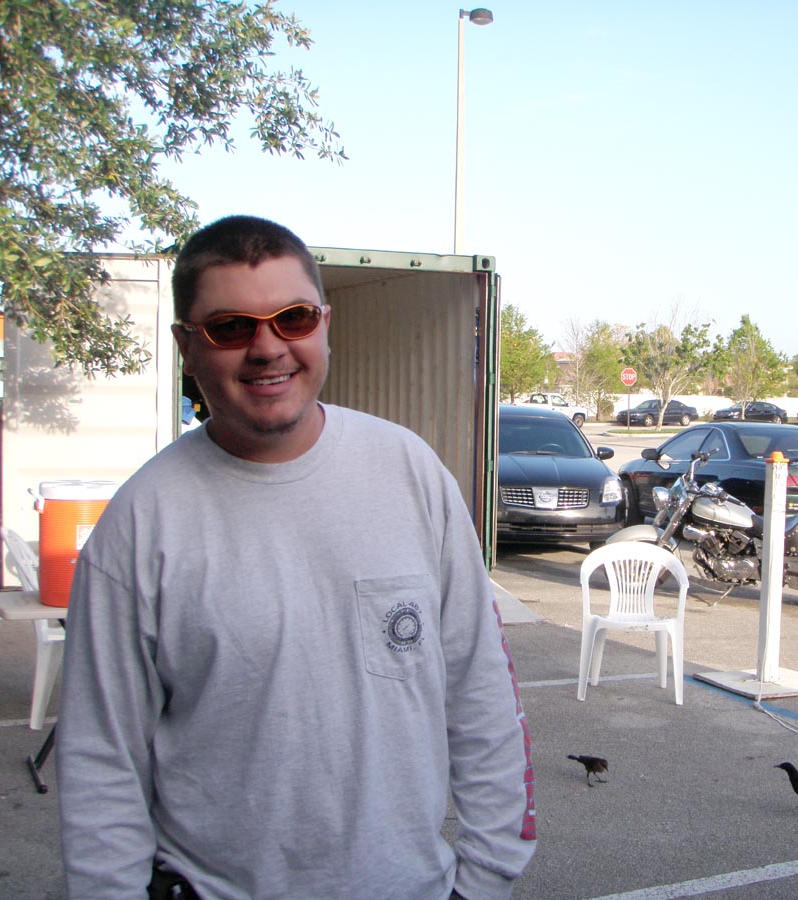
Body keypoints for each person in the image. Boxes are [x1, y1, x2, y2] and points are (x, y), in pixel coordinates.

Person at [57, 215, 536, 900]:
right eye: (230, 327)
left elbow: (480, 691)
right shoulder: (141, 523)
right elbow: (101, 760)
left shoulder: (410, 474)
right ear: (186, 347)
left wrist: (486, 879)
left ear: (324, 325)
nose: (267, 347)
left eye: (293, 318)